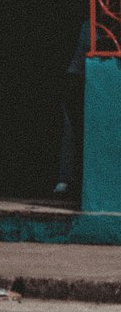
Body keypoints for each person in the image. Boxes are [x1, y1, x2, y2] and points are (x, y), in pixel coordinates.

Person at [54, 17, 89, 199]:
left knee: (73, 130)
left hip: (76, 76)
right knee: (73, 129)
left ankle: (67, 179)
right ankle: (66, 178)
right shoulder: (91, 23)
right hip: (76, 78)